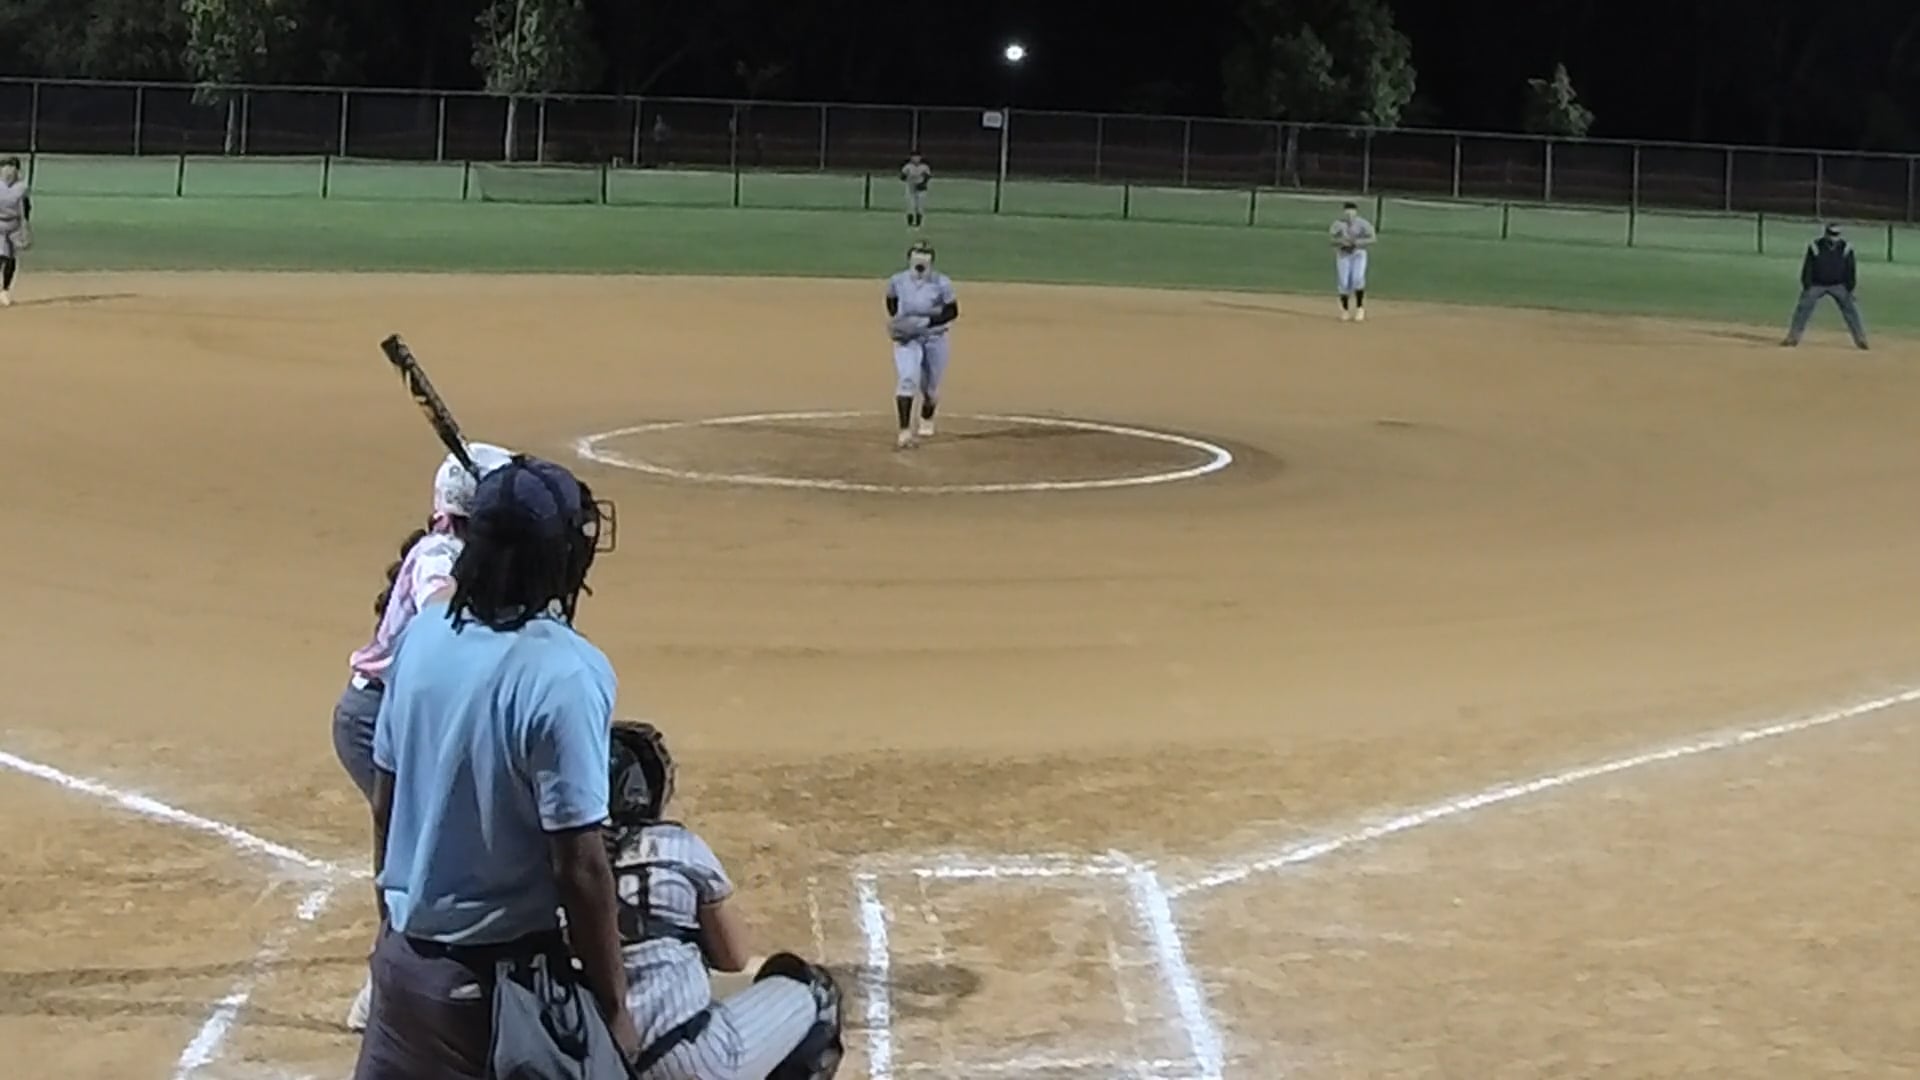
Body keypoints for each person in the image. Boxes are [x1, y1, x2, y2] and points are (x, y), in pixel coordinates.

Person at [354, 455, 638, 1079]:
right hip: (495, 995)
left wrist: (391, 935)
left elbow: (385, 806)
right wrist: (615, 1007)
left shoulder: (422, 637)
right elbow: (579, 866)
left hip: (403, 975)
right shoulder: (566, 673)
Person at [336, 443, 516, 1032]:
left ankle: (393, 978)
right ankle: (387, 985)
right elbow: (440, 606)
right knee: (415, 855)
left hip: (415, 719)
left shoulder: (472, 555)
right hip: (378, 719)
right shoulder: (439, 553)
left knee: (422, 851)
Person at [606, 722, 844, 1080]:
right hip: (690, 1059)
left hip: (592, 1063)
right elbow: (734, 958)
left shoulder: (553, 864)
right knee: (815, 990)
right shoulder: (678, 847)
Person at [884, 239, 960, 450]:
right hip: (908, 339)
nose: (920, 262)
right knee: (907, 378)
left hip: (935, 338)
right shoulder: (897, 280)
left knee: (930, 389)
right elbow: (891, 301)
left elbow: (952, 311)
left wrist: (927, 322)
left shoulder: (941, 283)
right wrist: (903, 324)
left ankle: (927, 414)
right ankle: (904, 432)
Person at [1782, 223, 1869, 349]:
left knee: (1851, 310)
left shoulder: (1846, 248)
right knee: (1803, 309)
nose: (1834, 236)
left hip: (1839, 285)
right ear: (1826, 233)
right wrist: (1807, 286)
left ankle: (1860, 339)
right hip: (1816, 284)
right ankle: (1793, 337)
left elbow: (1851, 269)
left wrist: (1850, 288)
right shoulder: (1815, 246)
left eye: (1836, 234)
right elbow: (1808, 267)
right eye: (1832, 234)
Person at [1329, 200, 1375, 322]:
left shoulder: (1363, 223)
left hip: (1358, 254)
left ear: (1356, 212)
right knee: (1343, 282)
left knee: (1358, 278)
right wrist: (1341, 242)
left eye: (1352, 212)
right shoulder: (1338, 224)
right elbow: (1331, 239)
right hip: (1343, 254)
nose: (1349, 214)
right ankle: (1345, 310)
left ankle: (1360, 308)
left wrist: (1357, 242)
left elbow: (1372, 238)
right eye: (1347, 212)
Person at [0, 156, 32, 308]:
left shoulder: (21, 188)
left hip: (14, 225)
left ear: (17, 171)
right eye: (5, 168)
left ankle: (5, 290)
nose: (8, 171)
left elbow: (26, 208)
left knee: (10, 258)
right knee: (1, 255)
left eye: (12, 168)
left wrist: (25, 228)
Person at [900, 151, 932, 229]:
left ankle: (918, 224)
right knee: (910, 206)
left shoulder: (924, 167)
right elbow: (902, 177)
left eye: (917, 157)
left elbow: (928, 177)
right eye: (914, 157)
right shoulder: (908, 166)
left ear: (920, 158)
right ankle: (910, 223)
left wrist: (923, 183)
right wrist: (905, 176)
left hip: (921, 188)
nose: (916, 158)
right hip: (910, 187)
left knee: (919, 206)